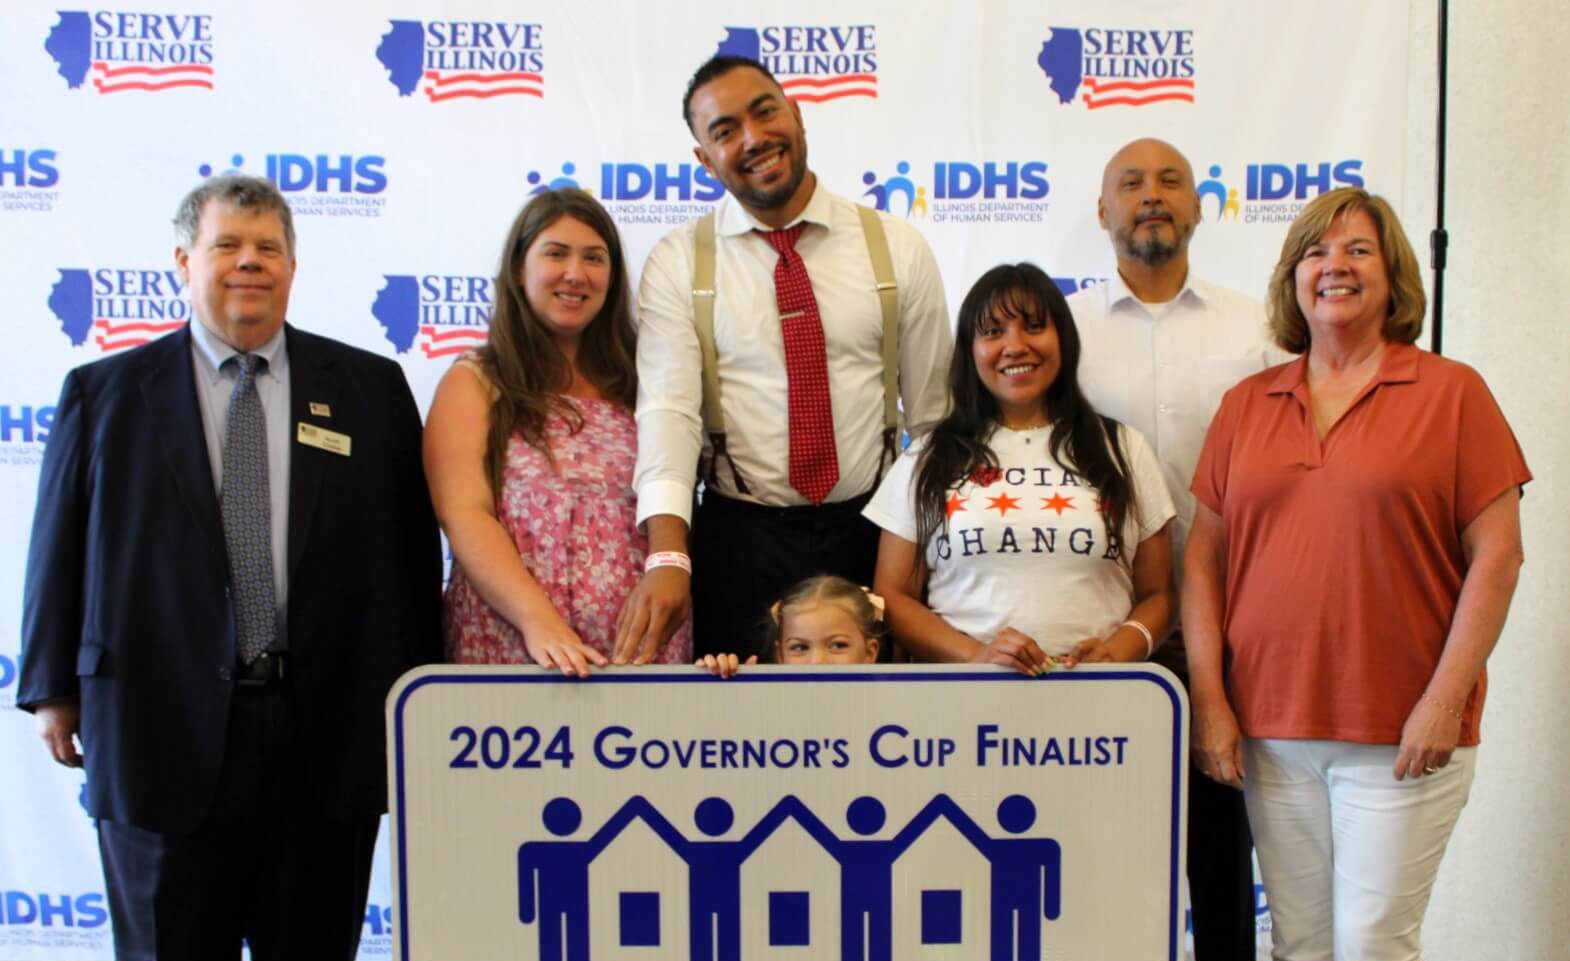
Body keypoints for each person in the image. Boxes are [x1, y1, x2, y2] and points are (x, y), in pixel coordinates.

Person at [18, 175, 442, 961]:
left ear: (293, 265)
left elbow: (401, 562)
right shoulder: (104, 392)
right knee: (171, 954)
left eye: (267, 246)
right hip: (155, 719)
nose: (248, 261)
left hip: (323, 721)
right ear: (184, 263)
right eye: (227, 244)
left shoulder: (369, 387)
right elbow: (57, 550)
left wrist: (412, 707)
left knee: (310, 948)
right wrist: (48, 690)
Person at [1184, 188, 1529, 961]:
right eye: (1314, 252)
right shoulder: (1251, 404)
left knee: (1371, 945)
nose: (1335, 264)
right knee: (1296, 949)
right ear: (1291, 278)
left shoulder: (1450, 391)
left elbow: (1497, 555)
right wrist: (1211, 695)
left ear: (1392, 276)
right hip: (1271, 726)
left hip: (1404, 734)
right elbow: (1202, 557)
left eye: (1358, 249)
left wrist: (1445, 693)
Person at [1068, 137, 1290, 961]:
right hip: (1095, 626)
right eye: (1130, 184)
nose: (1150, 198)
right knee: (1096, 850)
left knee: (1218, 840)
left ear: (1200, 206)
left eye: (1168, 182)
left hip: (1232, 621)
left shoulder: (1259, 332)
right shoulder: (1063, 331)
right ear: (1101, 209)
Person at [613, 54, 952, 663]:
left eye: (765, 112)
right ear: (704, 161)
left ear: (796, 116)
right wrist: (668, 556)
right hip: (738, 538)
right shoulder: (678, 261)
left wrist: (923, 554)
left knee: (874, 742)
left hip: (871, 532)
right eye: (724, 131)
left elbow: (932, 424)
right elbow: (668, 415)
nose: (753, 138)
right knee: (739, 740)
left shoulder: (897, 248)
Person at [425, 188, 689, 674]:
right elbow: (465, 514)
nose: (575, 274)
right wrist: (538, 622)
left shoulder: (646, 383)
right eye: (556, 253)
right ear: (519, 269)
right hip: (516, 646)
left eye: (594, 258)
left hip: (644, 651)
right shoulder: (476, 381)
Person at [865, 263, 1176, 674]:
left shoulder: (1123, 448)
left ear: (1062, 339)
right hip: (962, 703)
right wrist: (977, 658)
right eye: (993, 332)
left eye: (1033, 326)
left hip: (1100, 703)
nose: (1015, 346)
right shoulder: (928, 456)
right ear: (969, 350)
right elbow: (892, 597)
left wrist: (1117, 652)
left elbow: (1160, 596)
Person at [697, 574, 884, 675]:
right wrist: (722, 683)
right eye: (800, 647)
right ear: (780, 655)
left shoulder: (891, 710)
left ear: (870, 652)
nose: (817, 661)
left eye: (838, 645)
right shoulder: (763, 704)